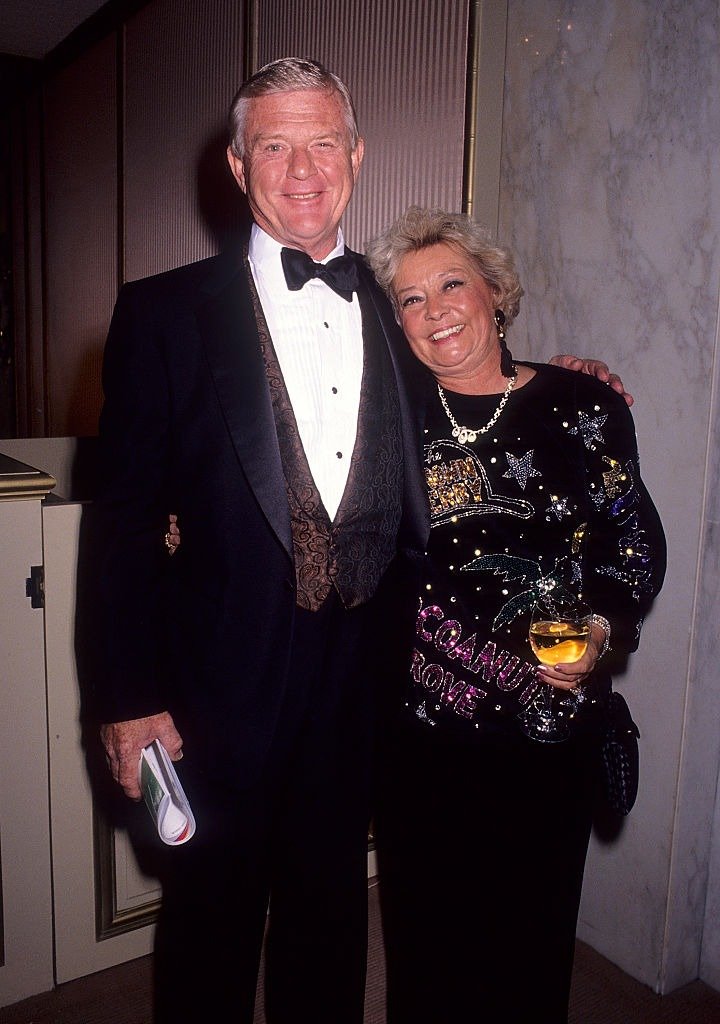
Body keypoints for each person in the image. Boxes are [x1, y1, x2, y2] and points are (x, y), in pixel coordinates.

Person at [92, 59, 631, 1023]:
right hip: (220, 684)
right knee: (210, 931)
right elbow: (125, 519)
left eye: (323, 142)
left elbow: (476, 373)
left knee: (331, 921)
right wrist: (130, 698)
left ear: (356, 154)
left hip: (365, 684)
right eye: (275, 145)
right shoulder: (162, 313)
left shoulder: (393, 304)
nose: (303, 168)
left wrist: (567, 379)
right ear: (235, 162)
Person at [365, 206, 666, 1023]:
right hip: (421, 731)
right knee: (426, 950)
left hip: (546, 730)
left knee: (529, 948)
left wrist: (600, 632)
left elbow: (630, 541)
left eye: (452, 284)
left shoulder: (582, 403)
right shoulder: (381, 422)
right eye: (410, 300)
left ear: (495, 292)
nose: (435, 312)